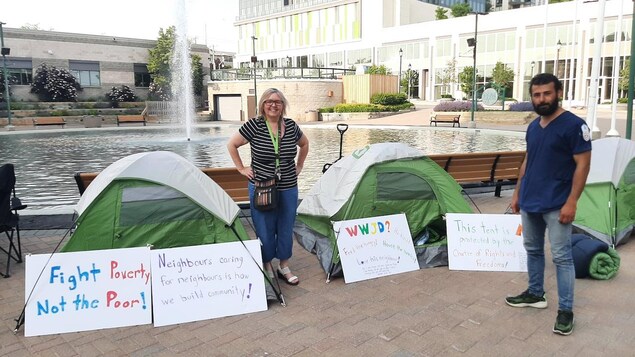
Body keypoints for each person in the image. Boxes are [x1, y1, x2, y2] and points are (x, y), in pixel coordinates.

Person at [505, 73, 592, 336]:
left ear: (558, 93)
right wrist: (517, 193)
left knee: (562, 257)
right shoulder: (533, 127)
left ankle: (566, 311)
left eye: (546, 94)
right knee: (532, 250)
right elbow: (528, 161)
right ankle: (535, 294)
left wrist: (572, 202)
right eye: (536, 94)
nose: (541, 99)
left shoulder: (574, 126)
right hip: (531, 201)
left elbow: (583, 165)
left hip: (557, 203)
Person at [227, 88, 309, 286]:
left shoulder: (290, 125)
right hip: (262, 186)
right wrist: (241, 168)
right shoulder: (254, 125)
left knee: (285, 225)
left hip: (288, 186)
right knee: (264, 227)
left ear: (283, 106)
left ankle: (284, 265)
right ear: (263, 105)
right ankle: (267, 265)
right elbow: (232, 144)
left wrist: (299, 165)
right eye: (269, 101)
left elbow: (305, 144)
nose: (273, 105)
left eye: (278, 102)